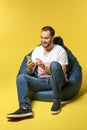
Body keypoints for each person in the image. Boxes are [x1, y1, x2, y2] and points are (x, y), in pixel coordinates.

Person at [7, 26, 69, 119]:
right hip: (41, 82)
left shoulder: (60, 51)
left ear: (52, 38)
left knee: (54, 65)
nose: (43, 40)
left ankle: (56, 100)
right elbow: (30, 72)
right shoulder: (37, 50)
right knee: (21, 77)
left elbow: (61, 73)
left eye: (46, 38)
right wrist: (30, 68)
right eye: (42, 37)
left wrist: (44, 67)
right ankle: (25, 108)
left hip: (56, 82)